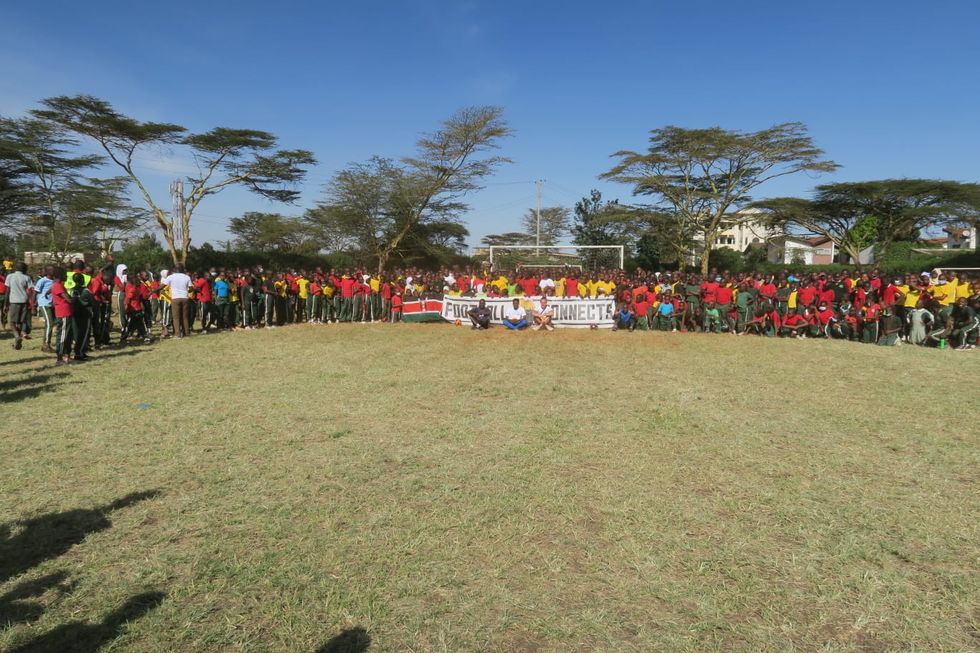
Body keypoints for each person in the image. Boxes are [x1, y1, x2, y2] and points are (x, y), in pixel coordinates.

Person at [5, 262, 32, 350]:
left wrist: (6, 304)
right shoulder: (27, 277)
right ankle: (18, 344)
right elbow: (30, 290)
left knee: (11, 321)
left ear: (15, 268)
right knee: (19, 322)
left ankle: (17, 336)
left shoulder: (10, 276)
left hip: (14, 301)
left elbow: (7, 291)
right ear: (24, 269)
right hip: (24, 301)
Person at [50, 268, 74, 365]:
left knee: (68, 335)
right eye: (64, 274)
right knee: (63, 336)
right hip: (63, 313)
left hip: (67, 313)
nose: (66, 276)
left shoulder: (60, 285)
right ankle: (59, 358)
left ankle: (66, 355)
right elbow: (68, 299)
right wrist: (74, 299)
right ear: (60, 276)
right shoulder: (57, 286)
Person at [164, 263, 193, 339]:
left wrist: (152, 291)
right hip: (185, 298)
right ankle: (186, 334)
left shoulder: (171, 277)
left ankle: (177, 334)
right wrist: (187, 291)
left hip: (175, 298)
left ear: (175, 269)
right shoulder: (187, 277)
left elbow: (162, 286)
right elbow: (191, 288)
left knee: (176, 317)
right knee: (185, 317)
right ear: (183, 269)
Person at [34, 266, 55, 353]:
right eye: (51, 270)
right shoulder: (42, 280)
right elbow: (35, 292)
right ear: (47, 272)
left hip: (52, 304)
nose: (53, 271)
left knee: (50, 323)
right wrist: (33, 306)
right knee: (50, 323)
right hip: (44, 304)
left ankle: (45, 344)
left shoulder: (55, 280)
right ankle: (46, 344)